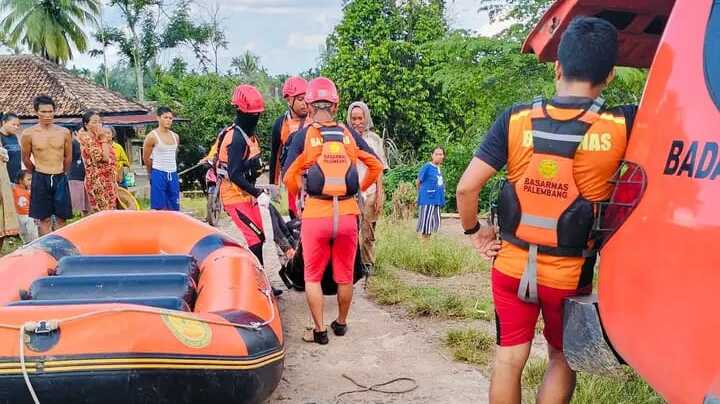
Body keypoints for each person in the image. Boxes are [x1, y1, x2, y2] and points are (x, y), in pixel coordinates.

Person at [456, 17, 636, 404]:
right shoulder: (623, 123)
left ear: (557, 66)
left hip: (509, 266)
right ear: (610, 75)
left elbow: (466, 187)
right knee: (560, 358)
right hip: (569, 277)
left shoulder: (516, 119)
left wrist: (476, 233)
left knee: (508, 359)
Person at [283, 77, 383, 345]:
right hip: (348, 215)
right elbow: (375, 165)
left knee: (313, 276)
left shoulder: (302, 136)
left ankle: (319, 331)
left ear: (310, 105)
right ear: (336, 105)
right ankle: (341, 323)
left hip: (316, 214)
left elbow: (288, 175)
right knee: (344, 274)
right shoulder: (348, 134)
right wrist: (357, 190)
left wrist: (299, 195)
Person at [217, 84, 271, 264]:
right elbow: (234, 174)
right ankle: (259, 283)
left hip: (247, 193)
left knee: (260, 237)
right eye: (252, 114)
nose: (255, 117)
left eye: (258, 114)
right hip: (233, 195)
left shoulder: (250, 135)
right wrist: (258, 193)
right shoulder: (236, 138)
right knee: (254, 239)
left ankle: (261, 279)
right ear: (240, 111)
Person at [21, 95, 73, 236]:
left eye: (50, 111)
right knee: (44, 219)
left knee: (62, 218)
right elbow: (25, 158)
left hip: (59, 176)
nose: (47, 115)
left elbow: (68, 157)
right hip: (40, 176)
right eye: (43, 112)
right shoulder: (28, 133)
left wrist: (62, 172)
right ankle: (47, 250)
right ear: (36, 112)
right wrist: (37, 172)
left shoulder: (64, 132)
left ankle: (61, 250)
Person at [347, 101, 388, 274]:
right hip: (351, 193)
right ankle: (352, 265)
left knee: (368, 230)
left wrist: (379, 194)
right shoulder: (345, 138)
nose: (357, 122)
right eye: (353, 118)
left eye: (360, 118)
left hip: (371, 191)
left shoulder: (374, 140)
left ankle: (368, 263)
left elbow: (378, 168)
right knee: (350, 231)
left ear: (366, 118)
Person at [270, 76, 310, 219]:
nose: (305, 104)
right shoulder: (280, 124)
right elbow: (275, 155)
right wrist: (273, 185)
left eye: (306, 99)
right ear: (289, 100)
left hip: (315, 179)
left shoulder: (315, 120)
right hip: (293, 180)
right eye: (300, 99)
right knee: (296, 219)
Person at [78, 111, 117, 213]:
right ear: (86, 125)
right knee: (103, 210)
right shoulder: (86, 138)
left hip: (108, 178)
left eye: (100, 122)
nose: (98, 125)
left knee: (111, 208)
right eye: (94, 122)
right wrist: (103, 139)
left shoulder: (97, 137)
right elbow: (103, 158)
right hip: (97, 179)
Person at [143, 107, 180, 211]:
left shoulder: (175, 136)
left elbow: (174, 154)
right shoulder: (152, 136)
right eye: (165, 117)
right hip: (159, 172)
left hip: (172, 173)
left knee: (174, 205)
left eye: (170, 118)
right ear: (158, 118)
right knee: (159, 207)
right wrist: (151, 173)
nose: (168, 120)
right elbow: (146, 158)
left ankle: (173, 226)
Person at [416, 147, 446, 239]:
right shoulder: (427, 166)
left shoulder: (438, 168)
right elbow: (418, 181)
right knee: (426, 226)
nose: (439, 156)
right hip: (428, 200)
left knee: (432, 225)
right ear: (432, 155)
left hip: (436, 200)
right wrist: (421, 195)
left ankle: (428, 248)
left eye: (441, 154)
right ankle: (424, 249)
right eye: (436, 154)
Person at [68, 131, 90, 216]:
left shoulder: (88, 143)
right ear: (76, 133)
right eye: (82, 131)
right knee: (77, 207)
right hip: (75, 177)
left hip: (87, 177)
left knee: (88, 207)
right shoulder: (73, 143)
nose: (84, 133)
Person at [13, 170, 37, 243]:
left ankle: (34, 244)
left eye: (32, 179)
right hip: (18, 215)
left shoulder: (31, 190)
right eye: (29, 179)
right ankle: (26, 244)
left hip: (29, 215)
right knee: (23, 233)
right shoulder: (14, 188)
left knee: (32, 233)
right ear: (20, 180)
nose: (31, 182)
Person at [0, 113, 22, 183]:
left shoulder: (14, 137)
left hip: (16, 178)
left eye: (18, 125)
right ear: (4, 123)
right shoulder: (0, 138)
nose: (16, 127)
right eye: (13, 124)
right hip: (4, 180)